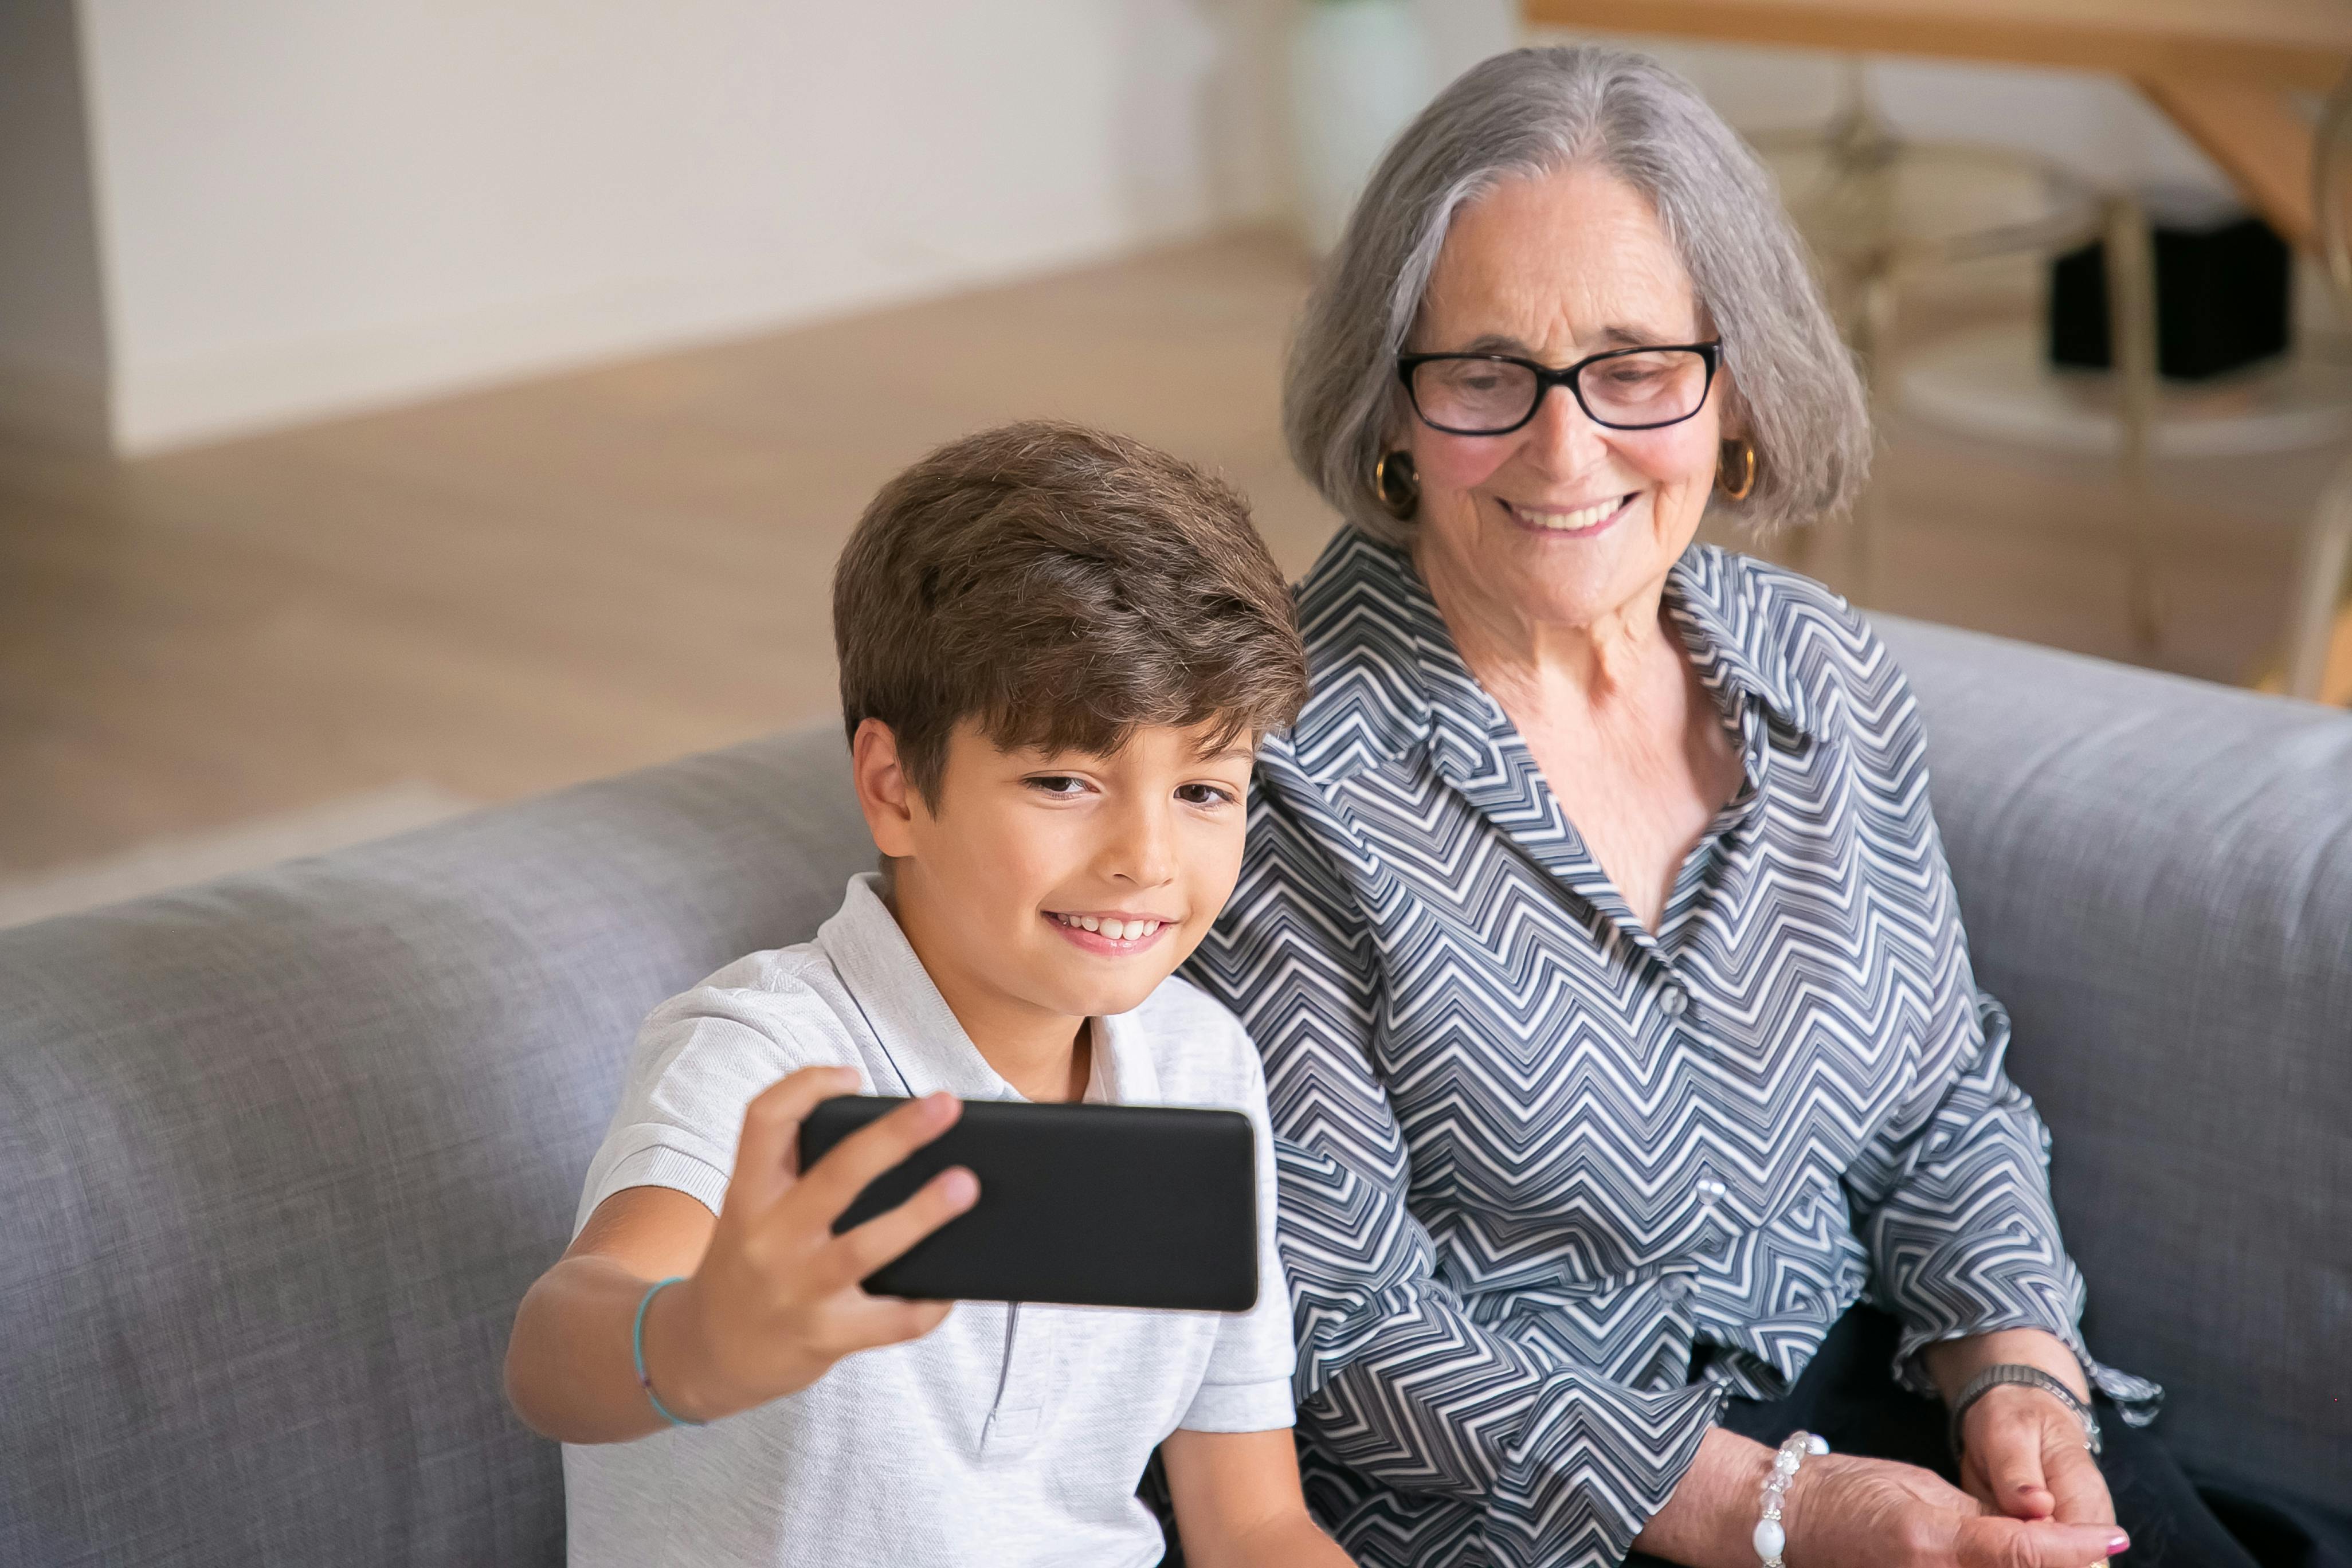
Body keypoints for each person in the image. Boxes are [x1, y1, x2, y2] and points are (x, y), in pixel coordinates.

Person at [1185, 44, 2264, 1568]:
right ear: (1391, 405)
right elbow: (1343, 1331)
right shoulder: (1275, 777)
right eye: (1486, 373)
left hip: (1878, 1389)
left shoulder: (1817, 668)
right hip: (1558, 1512)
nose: (1567, 452)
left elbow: (1939, 1105)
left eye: (1635, 368)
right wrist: (1783, 1509)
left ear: (1734, 385)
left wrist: (2017, 1371)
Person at [505, 421, 1354, 1568]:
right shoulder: (765, 1053)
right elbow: (560, 1345)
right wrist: (699, 1343)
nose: (1147, 859)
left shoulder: (1204, 1064)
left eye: (1206, 790)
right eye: (1065, 780)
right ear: (893, 789)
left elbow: (1252, 1520)